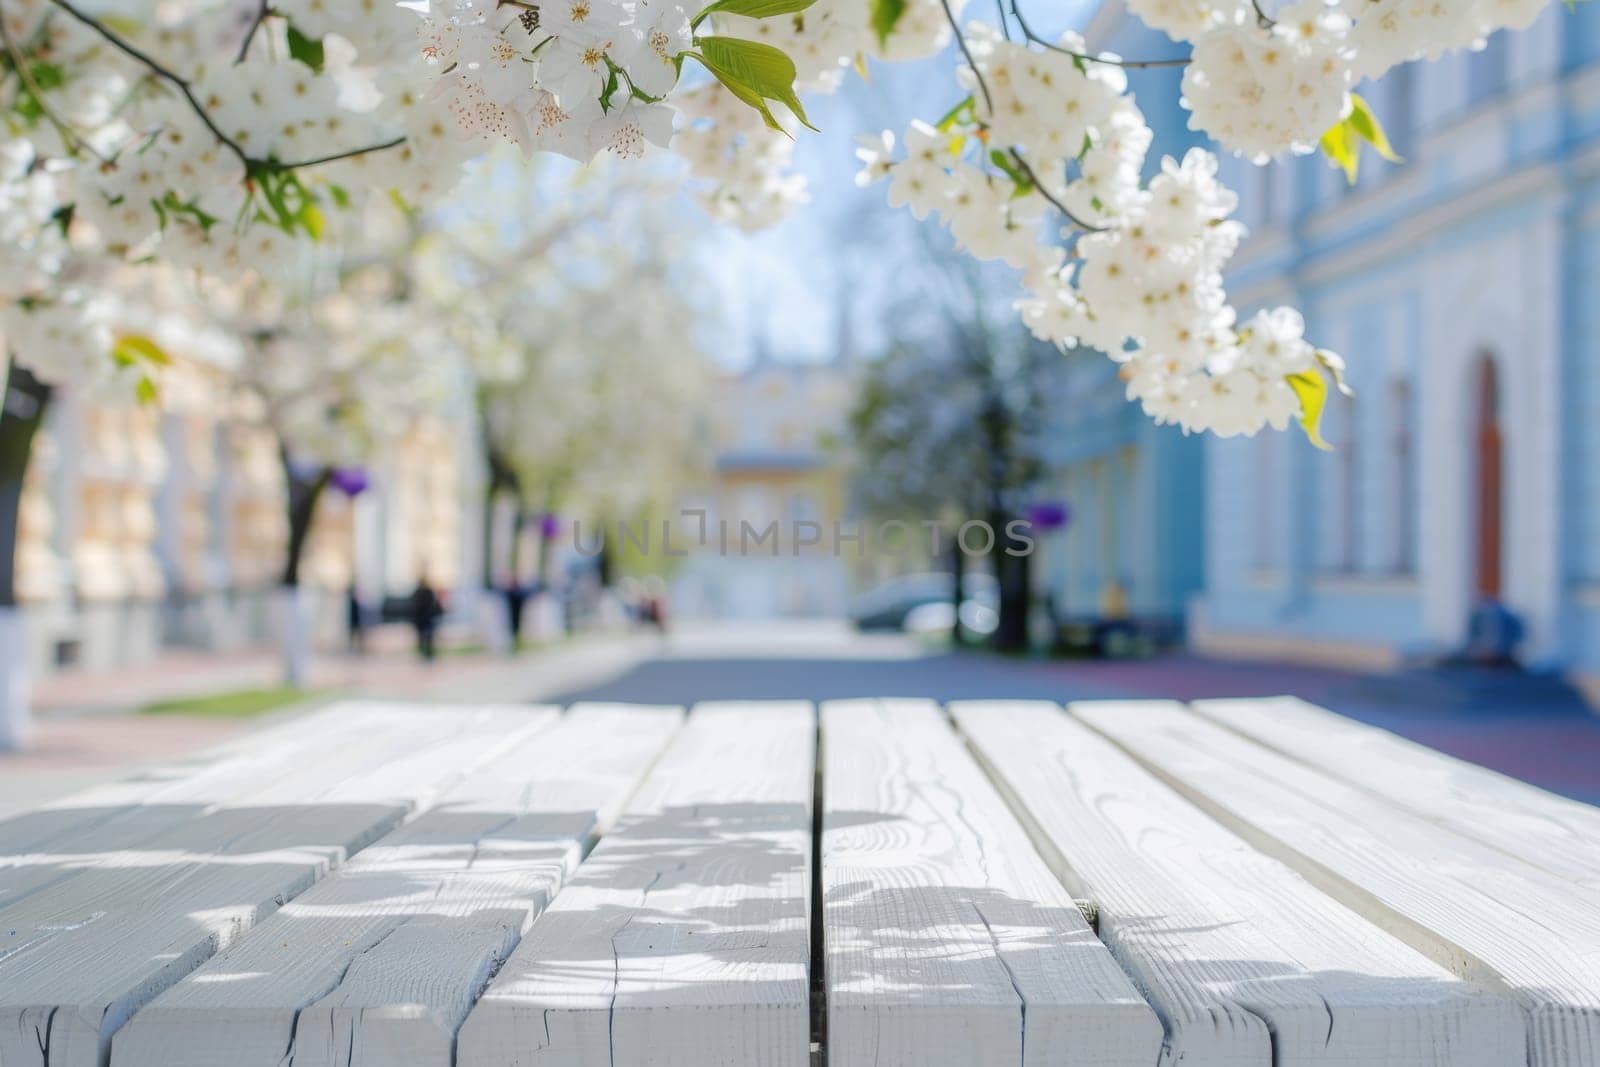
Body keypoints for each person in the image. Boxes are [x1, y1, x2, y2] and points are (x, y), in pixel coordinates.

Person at [411, 575, 445, 662]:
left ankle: (425, 653)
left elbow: (414, 606)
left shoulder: (418, 592)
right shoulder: (426, 592)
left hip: (422, 619)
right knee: (428, 637)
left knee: (424, 637)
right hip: (426, 618)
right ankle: (427, 654)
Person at [346, 583, 367, 655]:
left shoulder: (359, 603)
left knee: (360, 635)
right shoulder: (351, 602)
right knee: (352, 635)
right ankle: (352, 648)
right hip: (353, 621)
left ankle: (361, 649)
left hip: (358, 621)